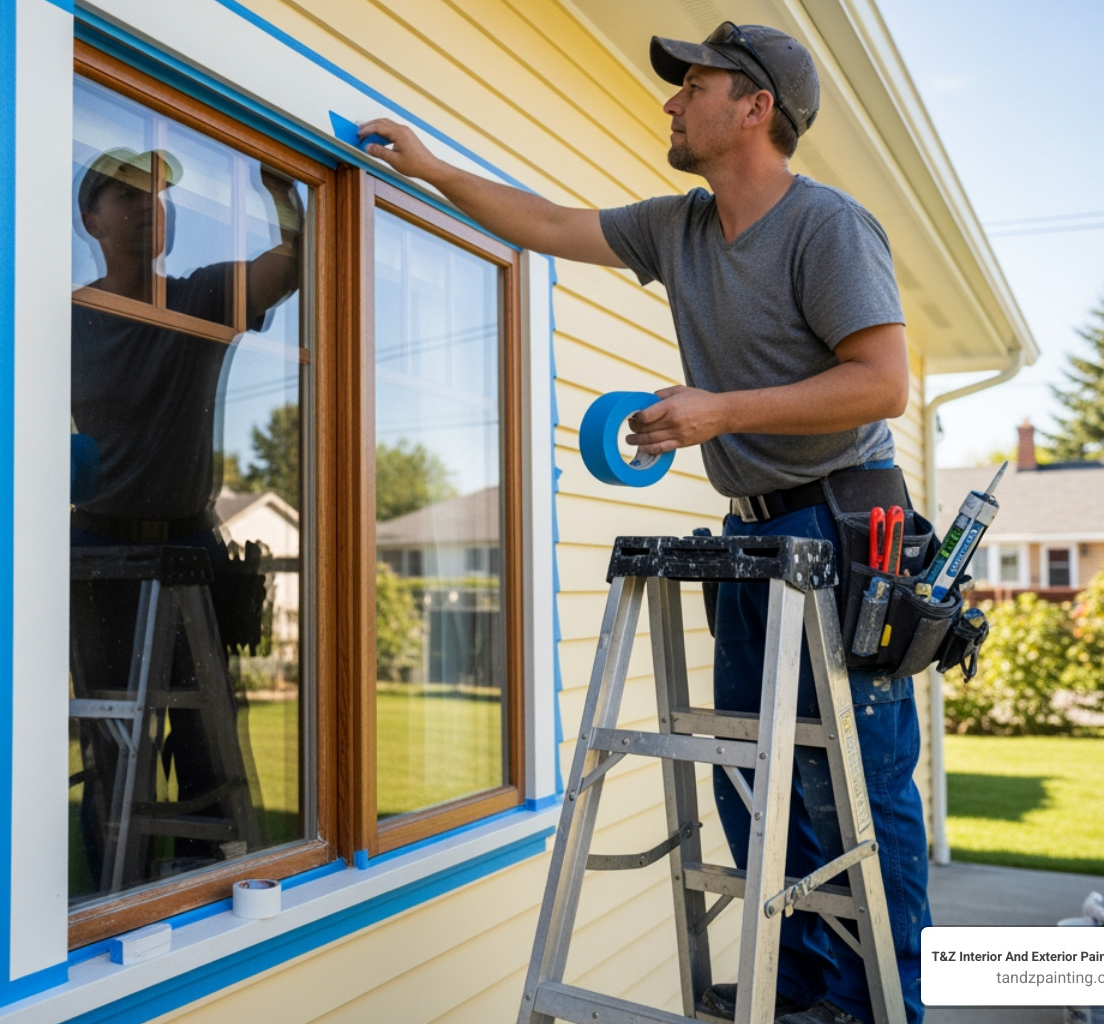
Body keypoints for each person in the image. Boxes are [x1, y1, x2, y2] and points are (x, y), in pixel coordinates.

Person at [356, 21, 926, 1024]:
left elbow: (882, 386)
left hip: (841, 533)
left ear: (755, 108)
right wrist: (435, 168)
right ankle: (796, 1003)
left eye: (692, 85)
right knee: (751, 794)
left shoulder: (826, 227)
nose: (669, 101)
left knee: (859, 803)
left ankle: (880, 1008)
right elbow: (546, 223)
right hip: (754, 542)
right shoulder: (680, 228)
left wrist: (720, 410)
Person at [70, 146, 303, 893]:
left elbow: (294, 262)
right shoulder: (66, 319)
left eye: (159, 195)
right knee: (112, 741)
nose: (150, 206)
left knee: (204, 736)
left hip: (188, 546)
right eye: (128, 195)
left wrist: (284, 192)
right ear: (91, 219)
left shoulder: (200, 298)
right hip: (97, 549)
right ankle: (116, 898)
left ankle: (209, 895)